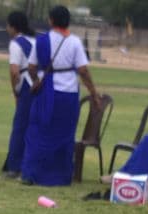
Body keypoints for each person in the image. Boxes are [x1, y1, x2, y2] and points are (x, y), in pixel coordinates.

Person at [20, 5, 101, 186]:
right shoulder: (74, 42)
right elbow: (83, 71)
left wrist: (36, 82)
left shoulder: (41, 40)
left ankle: (32, 174)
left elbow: (32, 67)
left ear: (51, 20)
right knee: (64, 134)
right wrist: (94, 93)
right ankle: (59, 176)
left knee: (39, 131)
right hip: (68, 94)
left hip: (45, 92)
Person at [2, 11, 36, 177]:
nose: (7, 29)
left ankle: (14, 167)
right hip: (38, 85)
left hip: (26, 85)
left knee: (20, 127)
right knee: (33, 127)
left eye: (8, 25)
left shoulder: (15, 43)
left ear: (13, 27)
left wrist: (15, 91)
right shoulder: (34, 40)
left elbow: (14, 71)